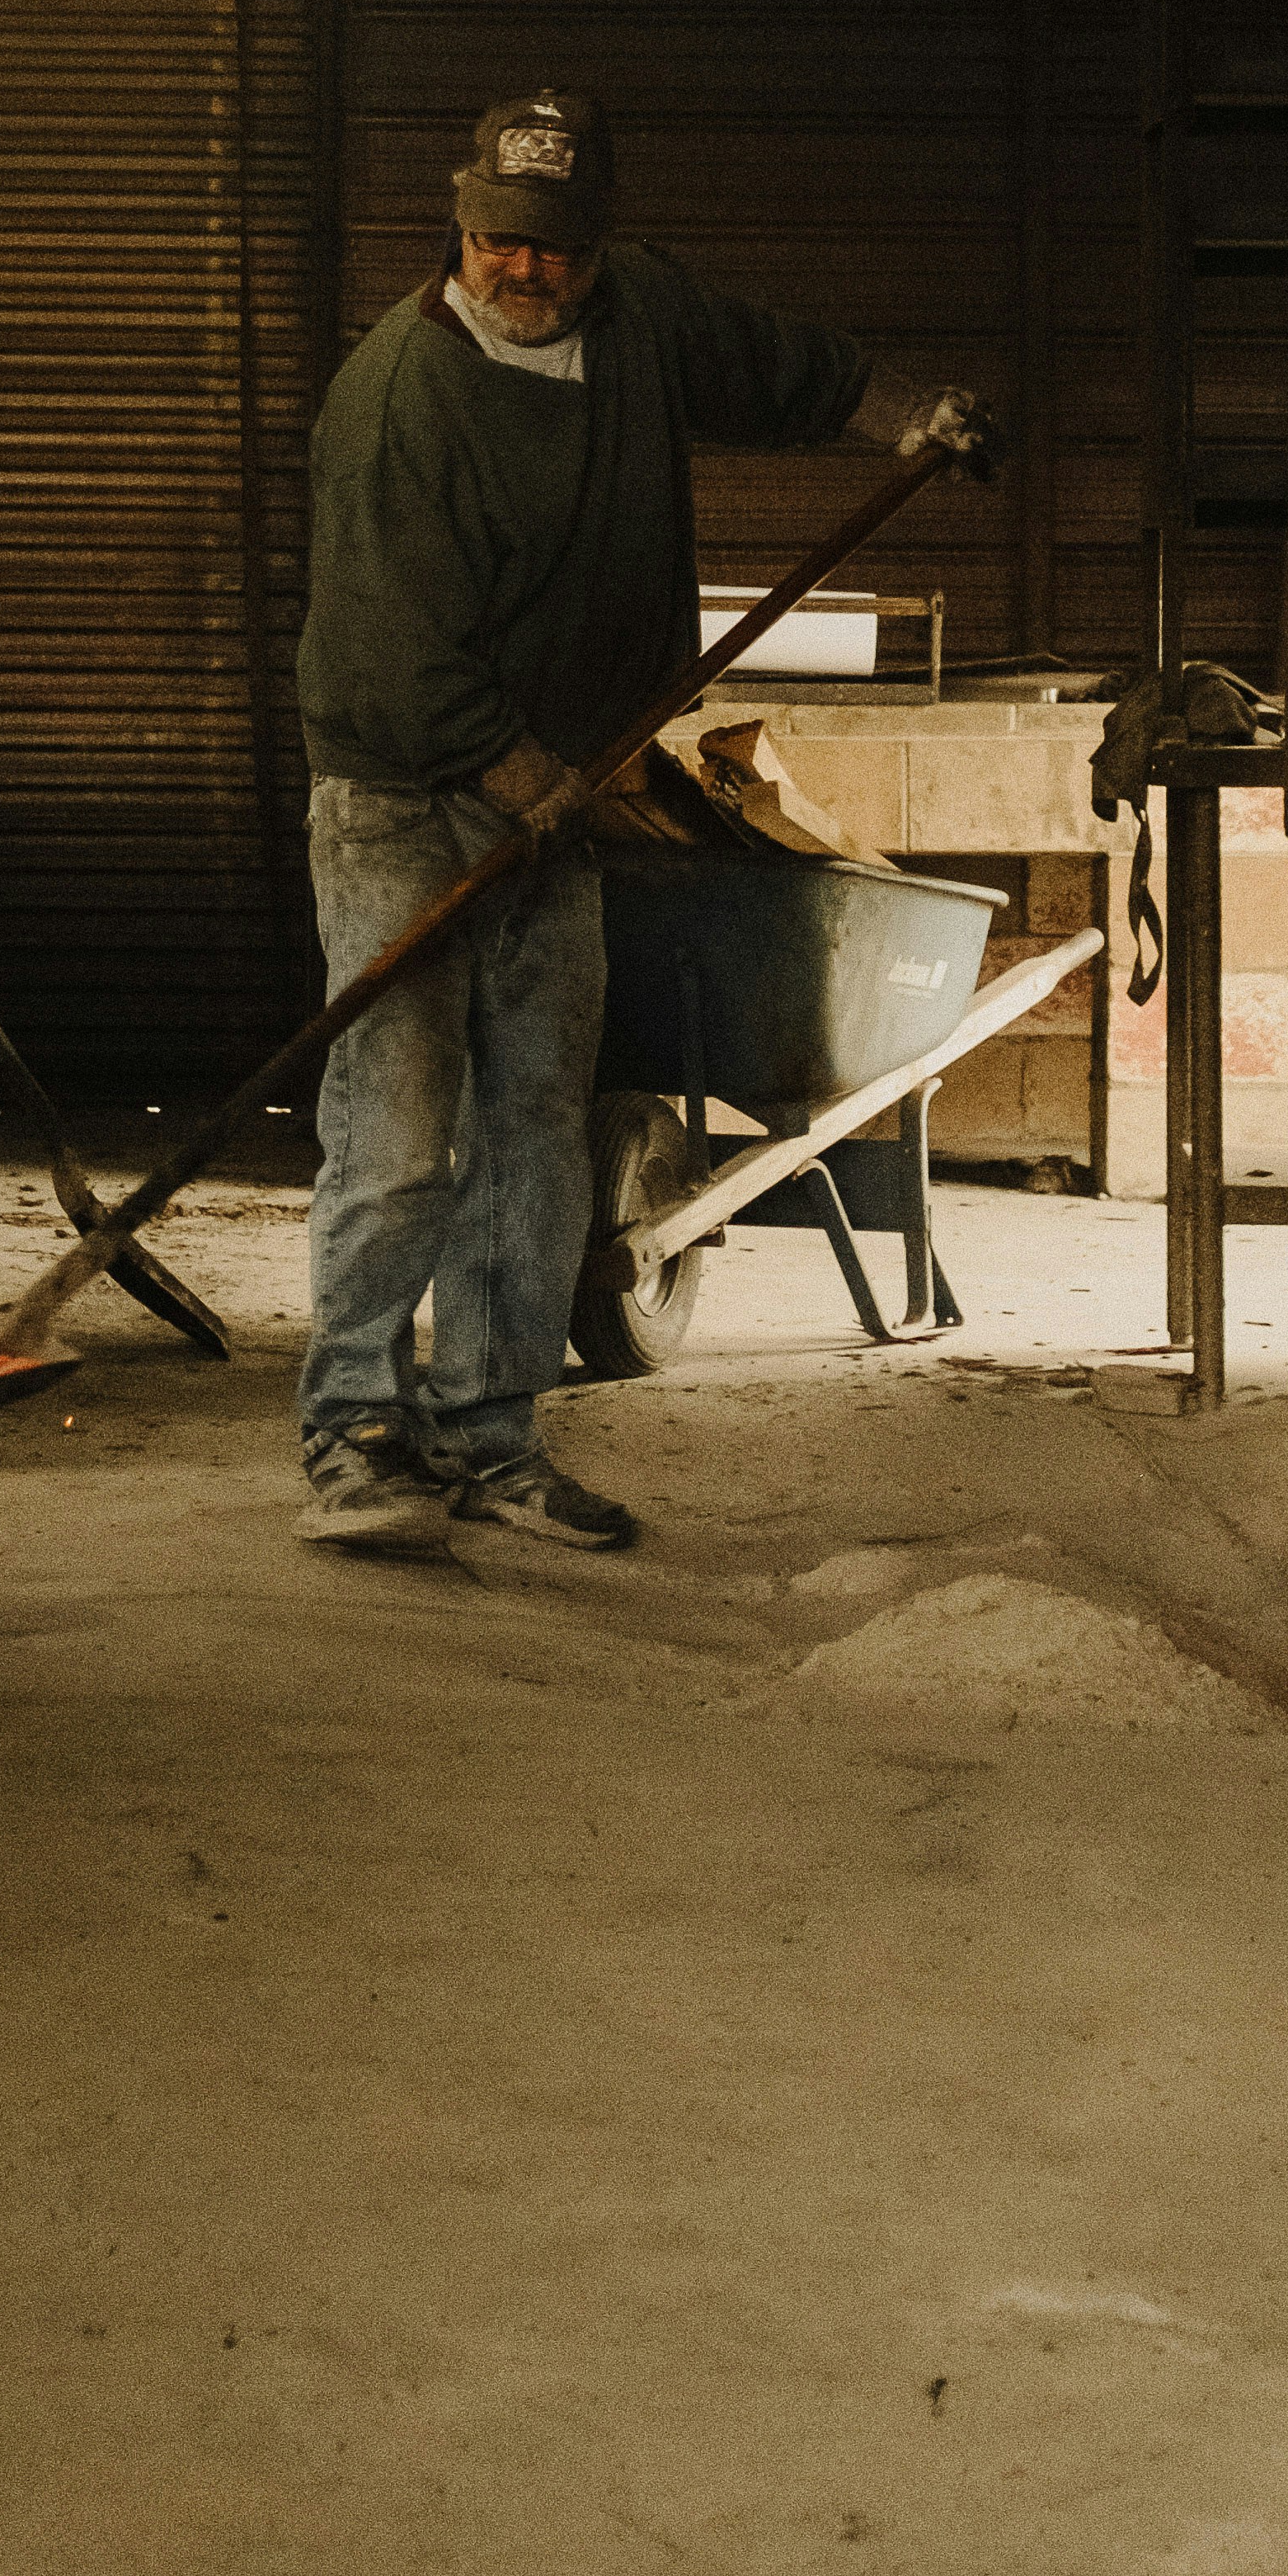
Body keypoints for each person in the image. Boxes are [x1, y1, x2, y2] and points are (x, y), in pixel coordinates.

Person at [286, 77, 992, 1552]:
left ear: (598, 244)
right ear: (457, 224)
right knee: (401, 1125)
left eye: (552, 244)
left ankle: (490, 1434)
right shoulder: (394, 395)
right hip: (406, 794)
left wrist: (905, 414)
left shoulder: (643, 322)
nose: (520, 268)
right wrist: (522, 773)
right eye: (495, 239)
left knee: (537, 1125)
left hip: (560, 789)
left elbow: (788, 371)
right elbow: (386, 651)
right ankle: (355, 1427)